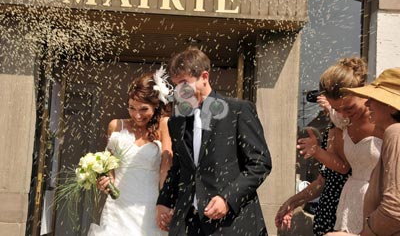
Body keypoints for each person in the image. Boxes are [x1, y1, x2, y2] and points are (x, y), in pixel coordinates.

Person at [156, 48, 272, 236]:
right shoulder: (177, 120)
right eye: (176, 84)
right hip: (187, 224)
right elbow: (179, 167)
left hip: (232, 224)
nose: (179, 90)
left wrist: (228, 198)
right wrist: (164, 201)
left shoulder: (239, 110)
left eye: (184, 82)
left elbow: (260, 163)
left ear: (204, 76)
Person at [296, 57, 382, 234]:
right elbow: (343, 167)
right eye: (337, 109)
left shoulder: (385, 117)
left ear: (362, 91)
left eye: (348, 108)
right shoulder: (340, 118)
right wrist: (317, 152)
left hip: (379, 200)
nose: (343, 114)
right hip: (351, 199)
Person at [88, 69, 173, 235]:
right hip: (117, 206)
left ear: (156, 106)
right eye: (131, 108)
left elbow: (165, 168)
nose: (137, 115)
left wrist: (165, 202)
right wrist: (105, 181)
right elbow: (110, 168)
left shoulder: (164, 125)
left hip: (148, 206)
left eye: (143, 109)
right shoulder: (115, 126)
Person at [325, 67, 400, 236]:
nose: (367, 103)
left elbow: (395, 209)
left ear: (392, 108)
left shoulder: (396, 133)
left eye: (374, 99)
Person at [275, 93, 349, 235]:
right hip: (327, 212)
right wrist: (293, 202)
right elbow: (323, 179)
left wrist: (333, 114)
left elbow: (343, 167)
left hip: (346, 210)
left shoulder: (352, 130)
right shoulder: (330, 129)